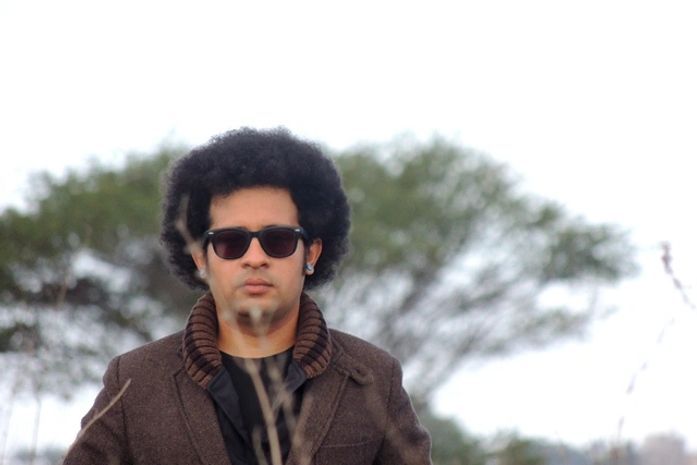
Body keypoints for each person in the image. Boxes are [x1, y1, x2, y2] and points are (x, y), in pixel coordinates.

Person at [63, 128, 432, 465]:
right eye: (230, 242)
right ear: (200, 258)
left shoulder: (374, 377)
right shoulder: (135, 381)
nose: (255, 258)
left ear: (311, 253)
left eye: (278, 240)